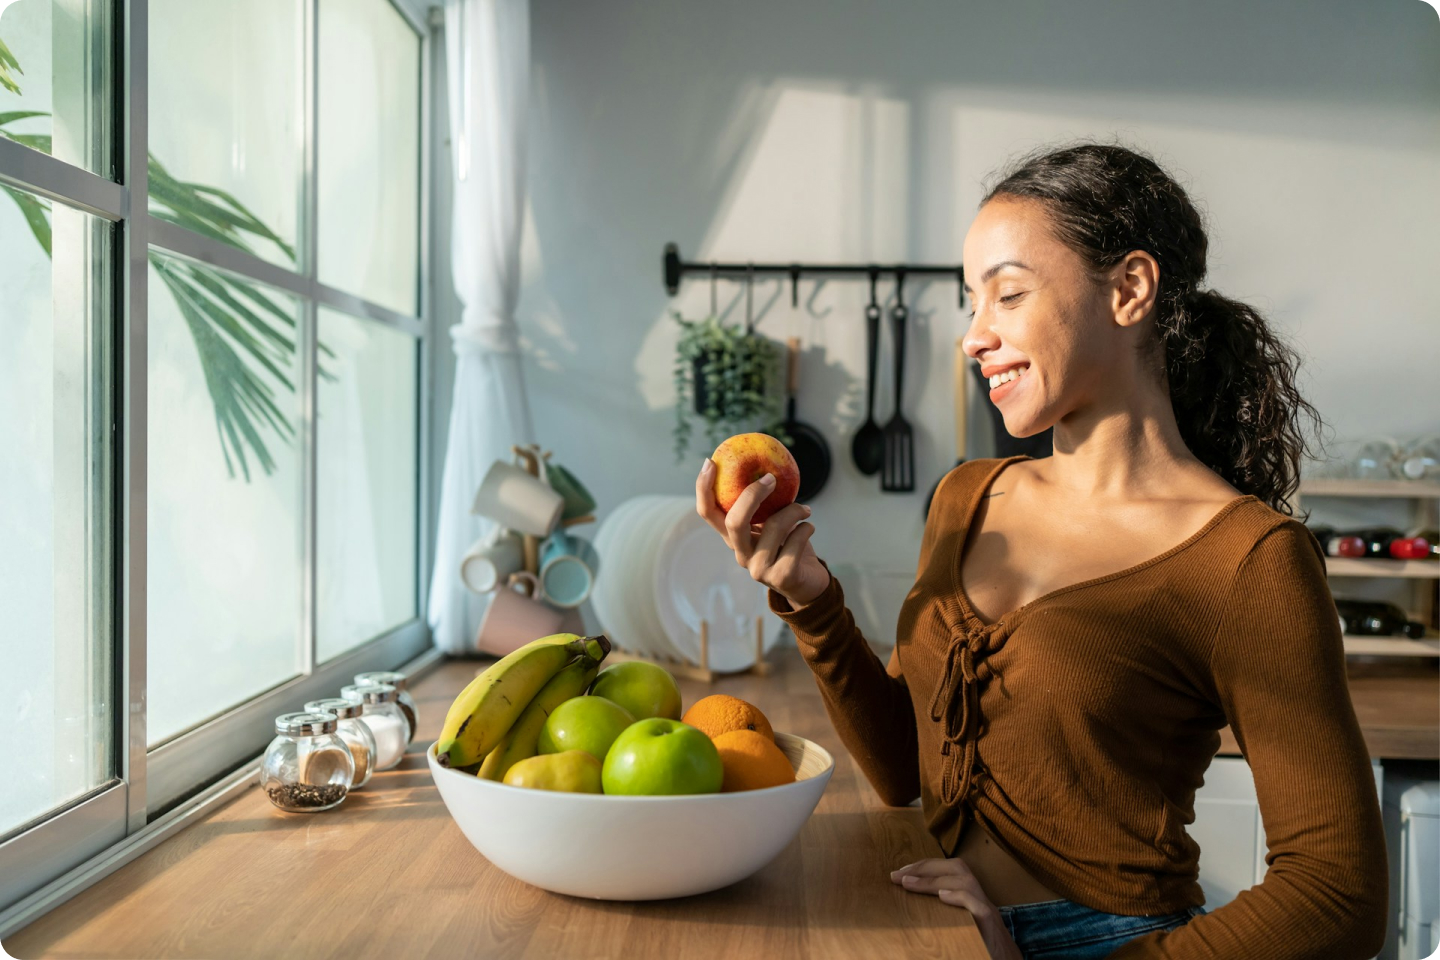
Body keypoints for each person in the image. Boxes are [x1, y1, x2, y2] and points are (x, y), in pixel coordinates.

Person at [693, 143, 1387, 960]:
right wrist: (812, 599)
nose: (972, 338)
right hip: (934, 923)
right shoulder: (966, 496)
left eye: (1008, 295)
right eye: (969, 303)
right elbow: (903, 773)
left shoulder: (1249, 559)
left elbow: (1339, 895)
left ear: (1129, 289)